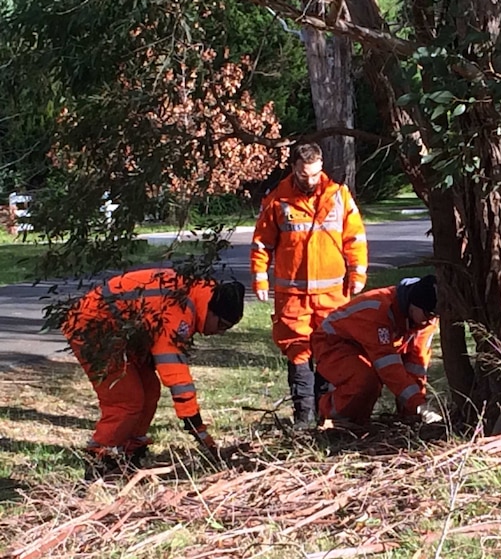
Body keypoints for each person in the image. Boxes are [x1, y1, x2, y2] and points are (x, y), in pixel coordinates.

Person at [62, 268, 245, 477]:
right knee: (126, 399)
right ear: (212, 310)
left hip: (120, 334)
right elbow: (176, 376)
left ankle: (131, 452)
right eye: (221, 325)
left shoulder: (196, 295)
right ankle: (99, 461)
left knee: (149, 391)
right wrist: (195, 425)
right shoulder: (179, 312)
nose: (219, 333)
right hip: (92, 328)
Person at [251, 142, 368, 429]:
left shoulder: (338, 196)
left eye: (316, 174)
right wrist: (260, 276)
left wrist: (357, 275)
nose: (311, 181)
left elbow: (355, 239)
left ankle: (327, 414)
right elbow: (262, 243)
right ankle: (304, 417)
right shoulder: (278, 200)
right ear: (294, 169)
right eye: (305, 176)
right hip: (292, 295)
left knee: (330, 350)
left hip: (332, 294)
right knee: (298, 352)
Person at [311, 275, 443, 425]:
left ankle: (358, 423)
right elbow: (388, 367)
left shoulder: (425, 321)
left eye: (435, 316)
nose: (431, 321)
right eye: (428, 314)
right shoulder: (377, 310)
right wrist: (418, 404)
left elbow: (416, 366)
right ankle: (329, 417)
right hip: (333, 342)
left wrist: (415, 409)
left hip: (365, 346)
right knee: (365, 381)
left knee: (372, 384)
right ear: (413, 304)